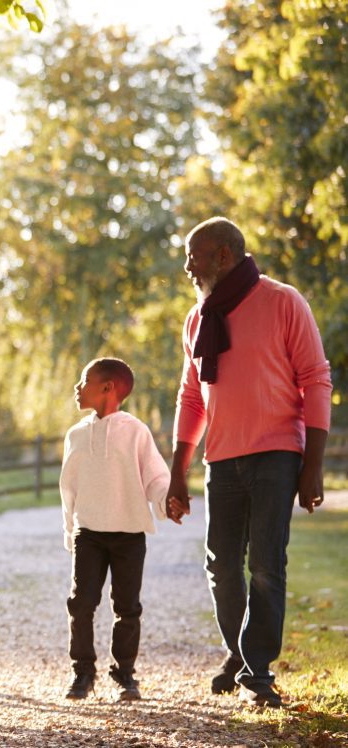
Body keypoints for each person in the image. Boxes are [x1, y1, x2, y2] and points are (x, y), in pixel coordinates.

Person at [167, 217, 332, 708]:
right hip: (221, 460)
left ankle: (256, 669)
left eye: (194, 255)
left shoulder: (283, 301)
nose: (187, 266)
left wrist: (312, 465)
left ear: (223, 255)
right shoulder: (197, 319)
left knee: (264, 563)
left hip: (276, 455)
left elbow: (315, 379)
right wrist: (178, 471)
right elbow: (191, 397)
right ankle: (239, 654)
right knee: (220, 565)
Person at [59, 358, 169, 702]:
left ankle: (124, 674)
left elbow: (155, 476)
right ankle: (82, 672)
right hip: (89, 533)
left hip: (128, 533)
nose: (78, 387)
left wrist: (168, 500)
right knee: (81, 603)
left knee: (127, 606)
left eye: (84, 380)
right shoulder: (76, 435)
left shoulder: (136, 431)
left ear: (107, 388)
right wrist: (70, 530)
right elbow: (68, 488)